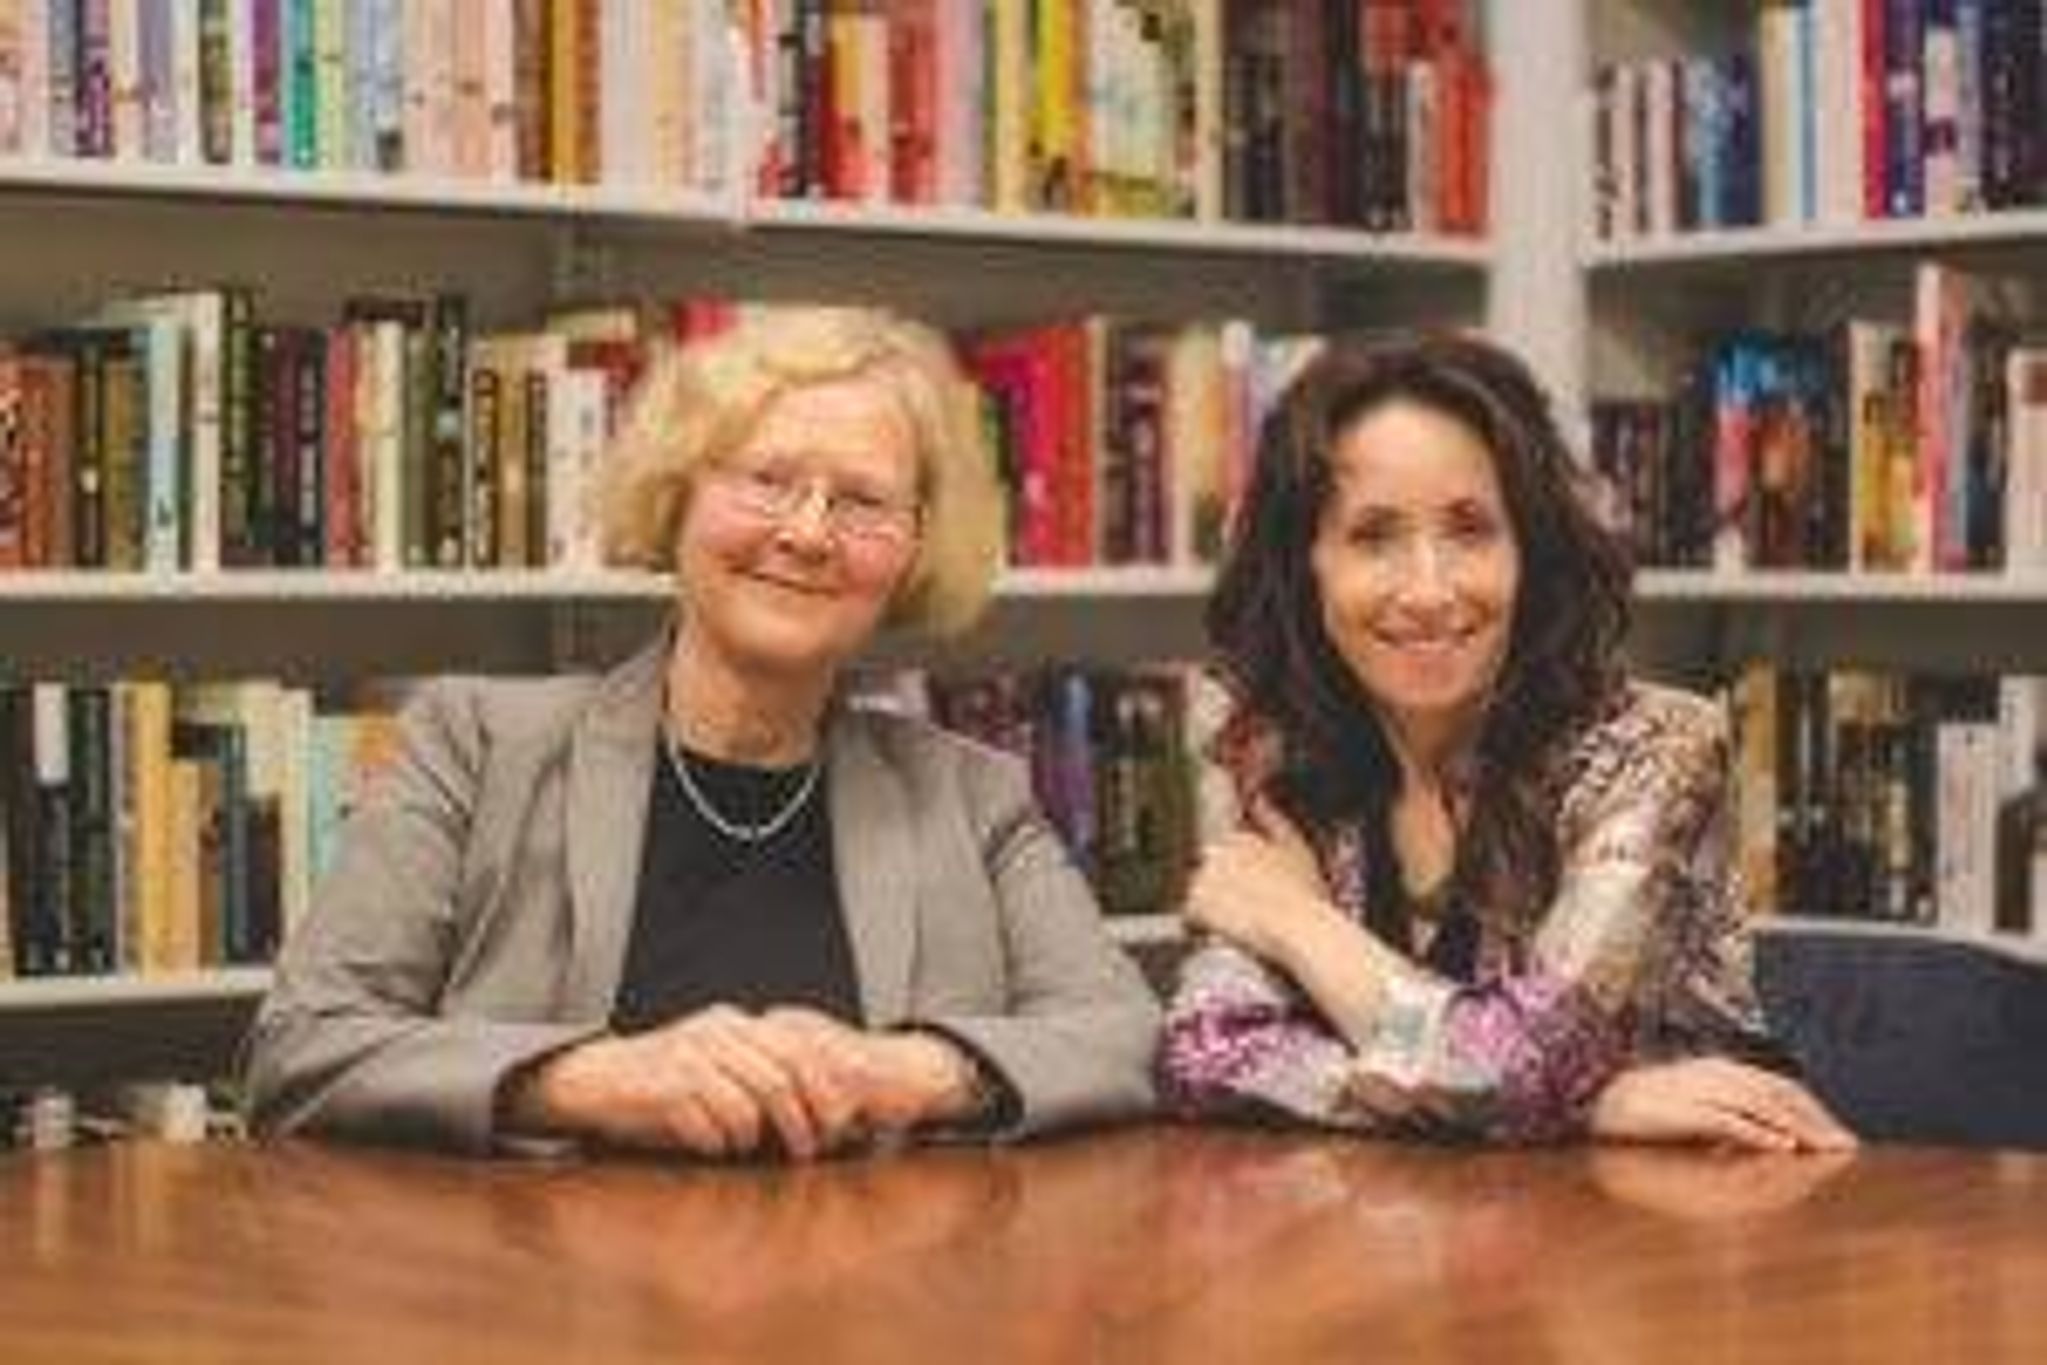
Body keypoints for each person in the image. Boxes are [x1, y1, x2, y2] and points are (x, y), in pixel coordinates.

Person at [245, 306, 1159, 1157]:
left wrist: (907, 1070)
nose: (807, 532)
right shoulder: (477, 748)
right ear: (676, 499)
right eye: (767, 480)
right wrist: (582, 1080)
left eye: (862, 501)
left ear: (914, 549)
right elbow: (301, 1050)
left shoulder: (971, 795)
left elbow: (1124, 1038)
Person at [1159, 332, 1854, 1151]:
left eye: (1469, 529)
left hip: (1691, 1216)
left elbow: (1527, 1069)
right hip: (1414, 1235)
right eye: (1373, 535)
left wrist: (1296, 921)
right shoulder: (1281, 758)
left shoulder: (1656, 749)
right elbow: (1205, 1054)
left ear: (1530, 549)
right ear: (1303, 565)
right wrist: (1589, 1104)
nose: (1427, 588)